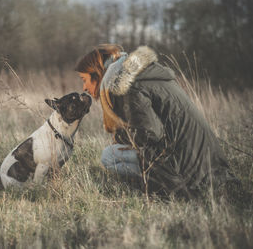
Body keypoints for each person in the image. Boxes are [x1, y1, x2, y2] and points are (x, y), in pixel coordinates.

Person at [75, 44, 236, 197]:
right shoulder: (144, 76)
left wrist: (121, 137)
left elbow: (151, 133)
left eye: (84, 79)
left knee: (109, 156)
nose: (84, 88)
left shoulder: (130, 86)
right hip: (212, 165)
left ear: (97, 74)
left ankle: (165, 191)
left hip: (189, 173)